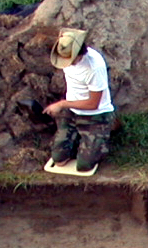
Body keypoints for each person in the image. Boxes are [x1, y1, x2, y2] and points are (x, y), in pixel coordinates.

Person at [43, 28, 116, 177]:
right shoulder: (66, 51)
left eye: (70, 60)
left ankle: (106, 128)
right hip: (72, 111)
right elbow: (65, 35)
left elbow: (93, 104)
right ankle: (79, 137)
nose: (66, 64)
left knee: (84, 166)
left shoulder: (94, 68)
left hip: (95, 115)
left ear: (79, 54)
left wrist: (63, 104)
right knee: (59, 160)